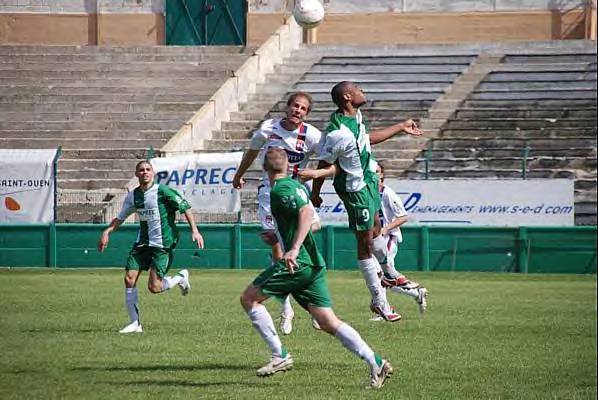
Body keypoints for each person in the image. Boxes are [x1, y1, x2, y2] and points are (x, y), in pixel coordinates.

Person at [240, 147, 393, 389]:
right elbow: (312, 220)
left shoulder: (281, 189)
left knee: (249, 299)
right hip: (311, 263)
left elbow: (305, 212)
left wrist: (293, 248)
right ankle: (376, 362)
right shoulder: (297, 187)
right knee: (327, 321)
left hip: (297, 264)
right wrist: (281, 239)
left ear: (264, 169)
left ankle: (280, 355)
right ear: (288, 167)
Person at [299, 81, 423, 322]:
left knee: (376, 230)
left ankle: (389, 274)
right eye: (358, 89)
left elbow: (367, 140)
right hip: (354, 190)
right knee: (365, 244)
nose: (362, 91)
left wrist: (400, 127)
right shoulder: (337, 133)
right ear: (347, 96)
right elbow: (324, 164)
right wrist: (315, 193)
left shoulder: (356, 118)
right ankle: (379, 300)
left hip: (368, 183)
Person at [232, 92, 323, 335]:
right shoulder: (268, 129)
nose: (298, 110)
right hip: (269, 194)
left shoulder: (312, 135)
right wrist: (239, 174)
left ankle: (313, 304)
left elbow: (326, 160)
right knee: (277, 248)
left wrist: (315, 186)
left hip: (297, 192)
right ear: (287, 106)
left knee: (307, 238)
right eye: (295, 105)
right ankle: (287, 308)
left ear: (307, 113)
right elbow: (252, 152)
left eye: (303, 108)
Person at [97, 160, 204, 334]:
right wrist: (107, 232)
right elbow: (121, 218)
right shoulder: (133, 196)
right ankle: (135, 323)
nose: (145, 172)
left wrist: (195, 231)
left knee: (154, 287)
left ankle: (180, 278)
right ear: (136, 174)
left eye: (148, 169)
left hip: (163, 244)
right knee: (129, 279)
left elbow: (185, 207)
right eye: (141, 170)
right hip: (142, 243)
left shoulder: (162, 191)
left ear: (152, 173)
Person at [370, 161, 428, 320]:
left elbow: (403, 217)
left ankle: (383, 308)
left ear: (382, 174)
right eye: (372, 171)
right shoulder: (369, 191)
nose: (374, 174)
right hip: (376, 239)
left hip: (389, 238)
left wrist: (386, 229)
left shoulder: (388, 193)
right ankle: (416, 292)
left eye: (377, 171)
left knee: (380, 274)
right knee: (383, 278)